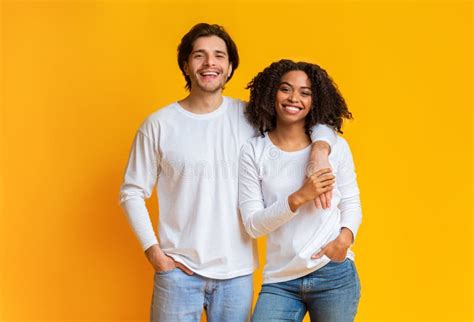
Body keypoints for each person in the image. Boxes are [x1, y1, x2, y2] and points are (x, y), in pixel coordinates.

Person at [119, 23, 337, 322]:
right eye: (199, 55)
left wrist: (320, 149)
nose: (210, 63)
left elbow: (311, 117)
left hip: (237, 275)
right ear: (186, 64)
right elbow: (132, 191)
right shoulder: (159, 125)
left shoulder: (251, 116)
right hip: (178, 271)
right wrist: (154, 252)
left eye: (219, 56)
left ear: (230, 65)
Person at [239, 59, 362, 321]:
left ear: (315, 101)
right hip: (280, 281)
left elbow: (351, 201)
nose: (294, 98)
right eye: (285, 89)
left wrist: (345, 239)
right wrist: (298, 198)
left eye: (305, 92)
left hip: (333, 274)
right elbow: (252, 225)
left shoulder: (334, 147)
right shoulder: (254, 151)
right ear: (272, 93)